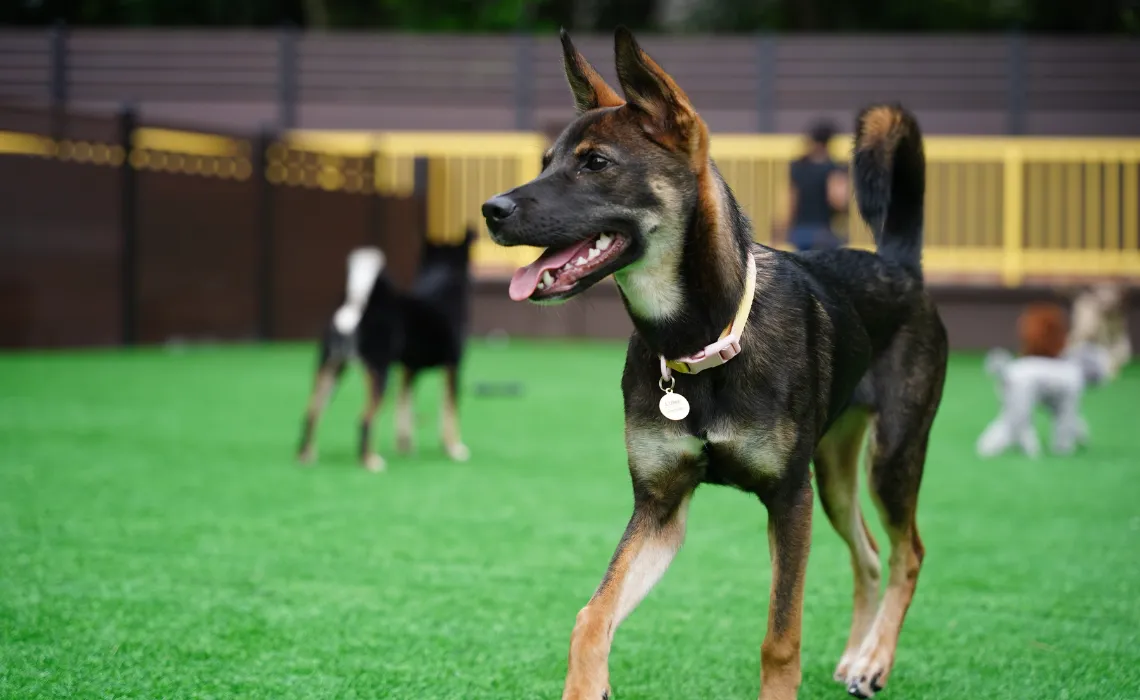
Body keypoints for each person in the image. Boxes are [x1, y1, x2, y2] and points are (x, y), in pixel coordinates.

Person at [778, 120, 850, 252]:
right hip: (823, 232)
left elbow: (790, 203)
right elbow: (837, 199)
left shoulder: (798, 167)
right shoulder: (833, 168)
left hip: (799, 232)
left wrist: (780, 233)